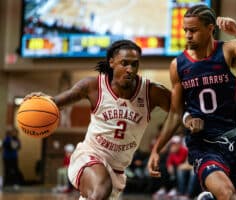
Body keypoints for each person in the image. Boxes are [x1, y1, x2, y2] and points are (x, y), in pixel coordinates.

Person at [25, 40, 171, 200]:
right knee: (101, 188)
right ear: (112, 62)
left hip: (116, 171)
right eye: (124, 63)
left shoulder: (151, 92)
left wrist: (158, 147)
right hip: (88, 156)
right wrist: (42, 102)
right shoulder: (94, 86)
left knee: (100, 191)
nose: (130, 69)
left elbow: (179, 113)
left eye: (134, 64)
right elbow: (57, 102)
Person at [147, 4, 236, 200]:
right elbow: (175, 113)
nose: (188, 35)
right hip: (204, 145)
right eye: (185, 30)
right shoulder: (178, 65)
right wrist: (157, 149)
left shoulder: (227, 50)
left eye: (193, 30)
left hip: (235, 140)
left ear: (210, 29)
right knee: (227, 193)